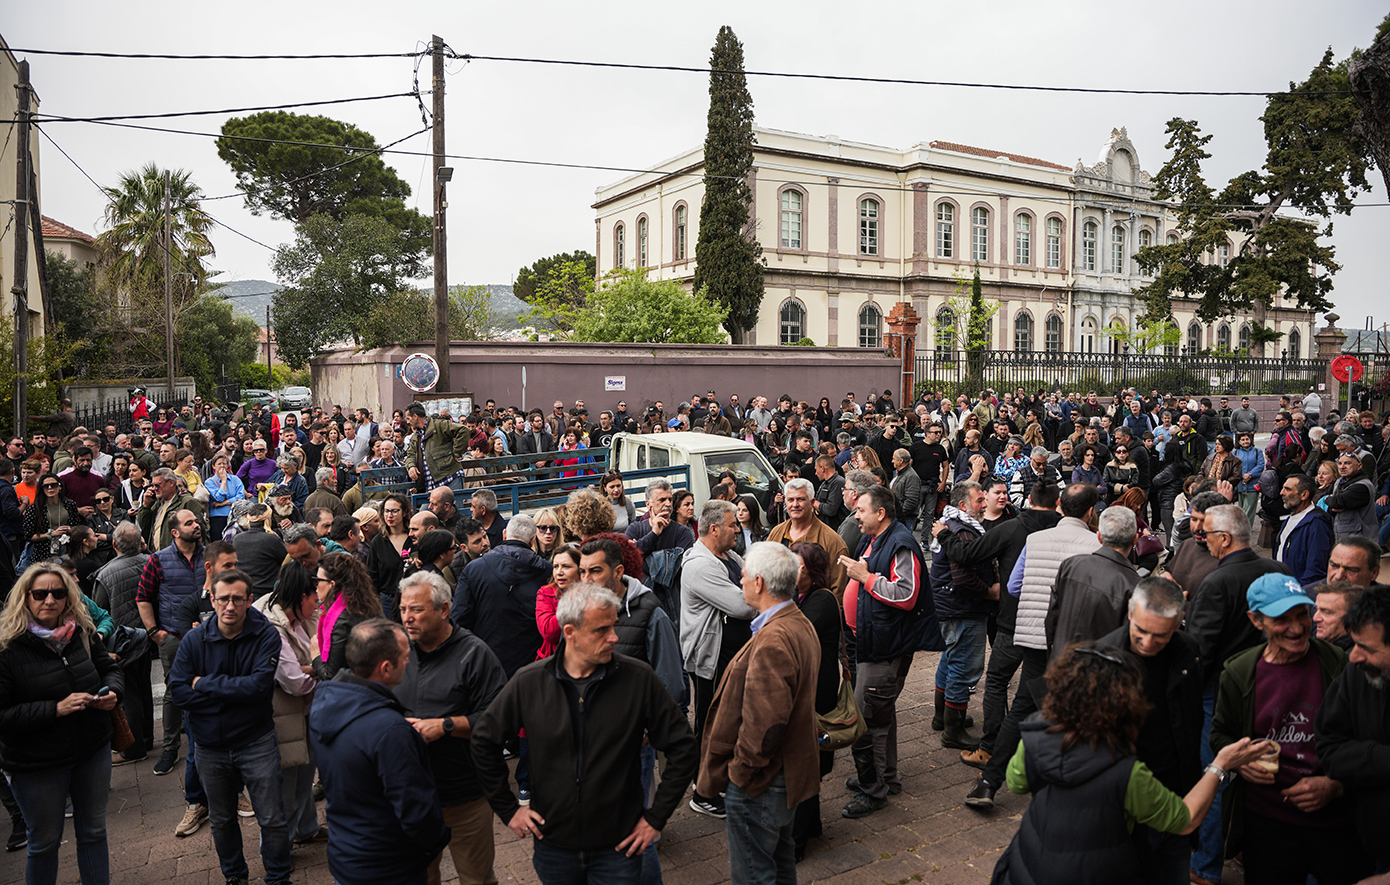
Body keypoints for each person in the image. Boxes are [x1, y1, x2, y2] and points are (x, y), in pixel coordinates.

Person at [471, 583, 700, 885]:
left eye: (613, 626)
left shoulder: (637, 678)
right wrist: (508, 809)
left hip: (619, 846)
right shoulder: (530, 682)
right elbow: (484, 739)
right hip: (554, 847)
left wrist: (656, 817)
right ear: (570, 632)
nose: (614, 637)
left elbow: (683, 746)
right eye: (601, 630)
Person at [990, 641, 1269, 885]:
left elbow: (1015, 783)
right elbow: (1185, 820)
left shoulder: (1035, 736)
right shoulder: (1127, 773)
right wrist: (1219, 764)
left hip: (1030, 866)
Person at [1209, 573, 1371, 885]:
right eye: (1281, 619)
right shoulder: (1239, 672)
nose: (1297, 628)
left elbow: (1366, 737)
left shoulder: (1338, 663)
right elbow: (1220, 735)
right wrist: (1240, 762)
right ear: (1256, 620)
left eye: (1301, 615)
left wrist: (1336, 784)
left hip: (1336, 823)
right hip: (1267, 825)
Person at [968, 483, 1101, 810]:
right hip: (1071, 640)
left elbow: (1013, 585)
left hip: (1033, 635)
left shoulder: (1035, 540)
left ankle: (989, 782)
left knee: (1022, 707)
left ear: (1061, 507)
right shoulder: (1095, 545)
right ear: (1089, 512)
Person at [697, 542, 821, 884]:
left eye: (743, 575)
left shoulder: (773, 640)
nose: (739, 581)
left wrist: (740, 774)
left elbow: (765, 725)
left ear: (759, 582)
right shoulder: (795, 621)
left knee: (755, 874)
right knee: (780, 866)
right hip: (781, 776)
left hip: (762, 782)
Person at [0, 563, 124, 885]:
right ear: (25, 597)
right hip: (38, 763)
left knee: (94, 832)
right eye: (40, 593)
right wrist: (54, 709)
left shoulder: (80, 632)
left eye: (58, 592)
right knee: (44, 843)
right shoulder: (7, 647)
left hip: (92, 749)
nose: (50, 600)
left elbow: (109, 670)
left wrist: (113, 692)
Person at [168, 568, 292, 885]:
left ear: (250, 600)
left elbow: (258, 688)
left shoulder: (265, 635)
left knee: (272, 817)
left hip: (256, 741)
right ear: (212, 599)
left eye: (238, 599)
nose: (230, 606)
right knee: (222, 820)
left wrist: (203, 684)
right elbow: (179, 692)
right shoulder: (195, 640)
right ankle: (235, 877)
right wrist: (232, 695)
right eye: (223, 599)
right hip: (210, 747)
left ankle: (278, 878)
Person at [310, 619, 451, 885]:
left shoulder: (327, 705)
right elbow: (417, 813)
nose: (408, 662)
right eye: (404, 657)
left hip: (346, 856)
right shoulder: (390, 732)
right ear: (386, 668)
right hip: (390, 867)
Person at [395, 571, 508, 885]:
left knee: (476, 878)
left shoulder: (474, 654)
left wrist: (445, 726)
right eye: (403, 609)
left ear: (444, 609)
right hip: (412, 796)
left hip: (464, 797)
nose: (407, 617)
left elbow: (499, 720)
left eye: (416, 609)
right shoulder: (399, 651)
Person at [839, 485, 942, 819]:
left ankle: (874, 791)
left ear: (880, 513)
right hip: (873, 641)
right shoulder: (876, 538)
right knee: (880, 712)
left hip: (885, 647)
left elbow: (906, 595)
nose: (856, 515)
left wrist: (865, 578)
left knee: (868, 720)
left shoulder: (901, 543)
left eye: (861, 510)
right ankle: (885, 777)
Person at [1097, 577, 1206, 883]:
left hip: (1173, 795)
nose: (1147, 642)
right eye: (1141, 631)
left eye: (1160, 636)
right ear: (1130, 612)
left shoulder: (1189, 651)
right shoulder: (1102, 659)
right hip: (1124, 805)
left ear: (1179, 622)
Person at [680, 500, 757, 819]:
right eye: (732, 525)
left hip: (731, 655)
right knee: (712, 724)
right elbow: (742, 605)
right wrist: (758, 594)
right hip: (711, 659)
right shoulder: (700, 565)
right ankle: (704, 791)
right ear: (714, 529)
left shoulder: (728, 556)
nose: (738, 530)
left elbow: (752, 578)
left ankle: (721, 779)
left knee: (731, 721)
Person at [1316, 586, 1390, 875]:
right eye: (1355, 643)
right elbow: (1329, 747)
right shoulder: (1357, 674)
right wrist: (1381, 759)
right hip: (1370, 842)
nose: (1354, 656)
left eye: (1367, 648)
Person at [253, 563, 325, 848]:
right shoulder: (274, 628)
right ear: (301, 596)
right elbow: (294, 682)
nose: (317, 604)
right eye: (314, 598)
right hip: (283, 714)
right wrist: (318, 671)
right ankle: (277, 850)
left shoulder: (300, 617)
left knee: (304, 773)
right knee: (286, 784)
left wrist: (309, 669)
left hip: (302, 711)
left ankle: (306, 828)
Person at [927, 481, 993, 750]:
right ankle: (953, 730)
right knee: (963, 666)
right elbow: (964, 579)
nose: (984, 505)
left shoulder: (951, 525)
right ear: (963, 506)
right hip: (962, 609)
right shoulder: (964, 532)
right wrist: (990, 592)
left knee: (951, 659)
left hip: (950, 606)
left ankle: (942, 717)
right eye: (979, 501)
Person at [452, 514, 551, 678]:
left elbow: (459, 620)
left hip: (487, 667)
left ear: (504, 534)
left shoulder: (474, 569)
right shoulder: (548, 572)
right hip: (533, 667)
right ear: (533, 541)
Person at [1047, 506, 1140, 658]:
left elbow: (1052, 617)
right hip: (1101, 667)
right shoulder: (1134, 585)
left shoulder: (1071, 565)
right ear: (1135, 539)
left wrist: (1053, 652)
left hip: (1061, 659)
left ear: (1099, 537)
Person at [766, 478, 849, 599]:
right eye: (790, 500)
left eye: (800, 499)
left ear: (812, 502)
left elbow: (838, 594)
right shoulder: (776, 533)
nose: (795, 505)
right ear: (785, 502)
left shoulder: (832, 542)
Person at [313, 552, 380, 681]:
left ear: (332, 584)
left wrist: (315, 656)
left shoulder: (340, 620)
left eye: (318, 581)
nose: (315, 586)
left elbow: (331, 675)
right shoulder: (365, 603)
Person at [1275, 474, 1335, 589]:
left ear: (1304, 495)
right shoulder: (1290, 518)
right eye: (1283, 488)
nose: (1282, 492)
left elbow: (1316, 569)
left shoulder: (1317, 524)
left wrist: (1298, 592)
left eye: (1287, 489)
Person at [625, 479, 695, 554]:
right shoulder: (635, 529)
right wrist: (654, 534)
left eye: (670, 499)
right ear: (648, 504)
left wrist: (640, 548)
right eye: (662, 500)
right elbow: (628, 556)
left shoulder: (683, 532)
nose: (668, 504)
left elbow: (682, 560)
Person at [1325, 451, 1378, 541]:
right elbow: (1320, 498)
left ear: (1359, 466)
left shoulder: (1362, 486)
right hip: (1341, 537)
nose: (1342, 467)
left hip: (1360, 541)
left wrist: (1327, 499)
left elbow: (1337, 502)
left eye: (1347, 463)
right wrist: (1330, 506)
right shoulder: (1338, 482)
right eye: (1340, 463)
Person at [1312, 581, 1365, 652]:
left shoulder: (1358, 656)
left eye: (1326, 612)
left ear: (1353, 617)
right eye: (1316, 609)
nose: (1315, 618)